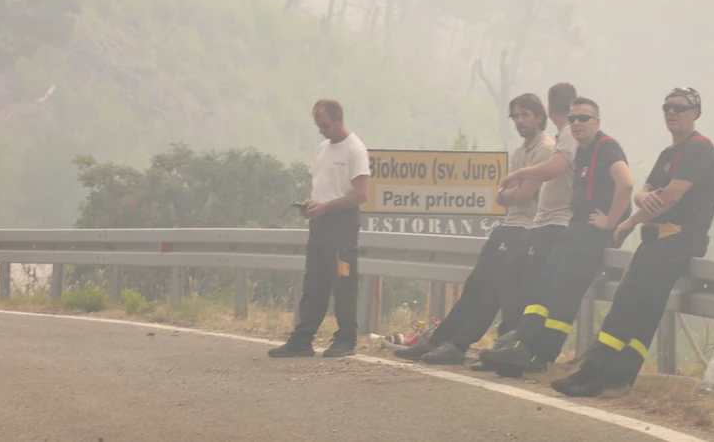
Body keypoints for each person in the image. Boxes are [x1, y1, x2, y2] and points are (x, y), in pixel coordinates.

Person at [550, 87, 714, 397]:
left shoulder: (698, 149)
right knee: (644, 308)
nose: (671, 112)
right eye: (666, 107)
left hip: (677, 241)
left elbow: (668, 196)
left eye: (679, 108)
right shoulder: (669, 153)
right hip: (657, 241)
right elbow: (647, 189)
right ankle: (618, 375)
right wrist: (644, 197)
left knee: (628, 304)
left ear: (695, 112)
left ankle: (593, 372)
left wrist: (629, 221)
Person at [478, 96, 633, 377]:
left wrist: (611, 221)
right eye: (572, 118)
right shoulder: (583, 153)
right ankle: (523, 347)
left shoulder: (606, 147)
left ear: (596, 122)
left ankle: (538, 354)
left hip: (592, 233)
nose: (576, 124)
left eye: (583, 118)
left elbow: (626, 182)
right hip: (576, 228)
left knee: (563, 293)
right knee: (545, 284)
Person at [395, 93, 555, 365]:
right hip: (508, 226)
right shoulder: (520, 153)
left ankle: (459, 345)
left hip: (527, 229)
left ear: (540, 117)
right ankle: (438, 340)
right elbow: (506, 195)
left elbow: (522, 193)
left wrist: (509, 193)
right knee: (475, 285)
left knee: (493, 288)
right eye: (515, 116)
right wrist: (509, 194)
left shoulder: (545, 149)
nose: (520, 121)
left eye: (525, 115)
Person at [268, 99, 370, 359]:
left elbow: (360, 194)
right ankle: (302, 339)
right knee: (314, 282)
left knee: (343, 282)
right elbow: (318, 183)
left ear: (338, 119)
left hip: (342, 224)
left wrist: (326, 207)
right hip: (320, 224)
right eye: (318, 125)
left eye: (324, 125)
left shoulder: (355, 150)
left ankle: (346, 339)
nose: (321, 130)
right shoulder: (323, 148)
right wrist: (310, 203)